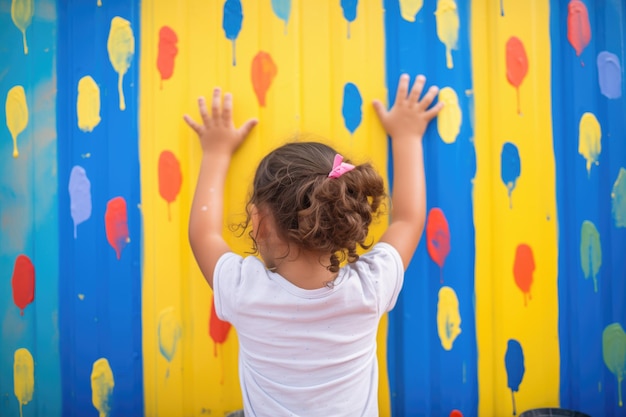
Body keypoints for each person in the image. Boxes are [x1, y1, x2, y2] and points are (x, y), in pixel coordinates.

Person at [184, 74, 442, 416]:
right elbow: (409, 219)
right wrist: (408, 136)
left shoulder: (243, 290)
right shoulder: (370, 288)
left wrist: (216, 151)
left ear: (258, 223)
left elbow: (202, 233)